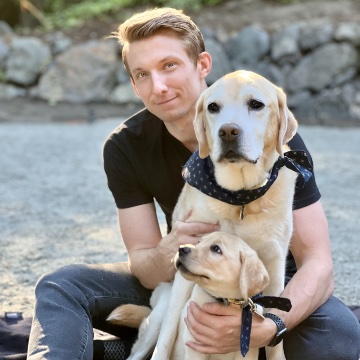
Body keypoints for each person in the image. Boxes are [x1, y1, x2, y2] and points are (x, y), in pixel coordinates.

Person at [27, 7, 360, 360]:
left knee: (337, 340)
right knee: (60, 285)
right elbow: (143, 263)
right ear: (134, 85)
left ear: (202, 64)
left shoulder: (266, 130)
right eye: (143, 74)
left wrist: (271, 325)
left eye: (169, 65)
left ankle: (124, 351)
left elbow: (318, 262)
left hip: (266, 292)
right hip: (184, 284)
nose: (159, 86)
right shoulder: (125, 146)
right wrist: (169, 249)